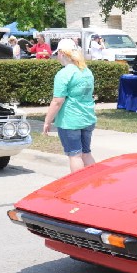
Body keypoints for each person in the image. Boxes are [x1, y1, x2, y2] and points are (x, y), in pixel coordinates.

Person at [43, 38, 97, 173]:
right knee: (86, 153)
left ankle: (78, 187)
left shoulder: (64, 73)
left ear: (61, 53)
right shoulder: (86, 71)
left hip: (70, 121)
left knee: (75, 155)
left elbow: (57, 101)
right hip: (88, 118)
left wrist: (47, 121)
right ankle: (94, 183)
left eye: (57, 54)